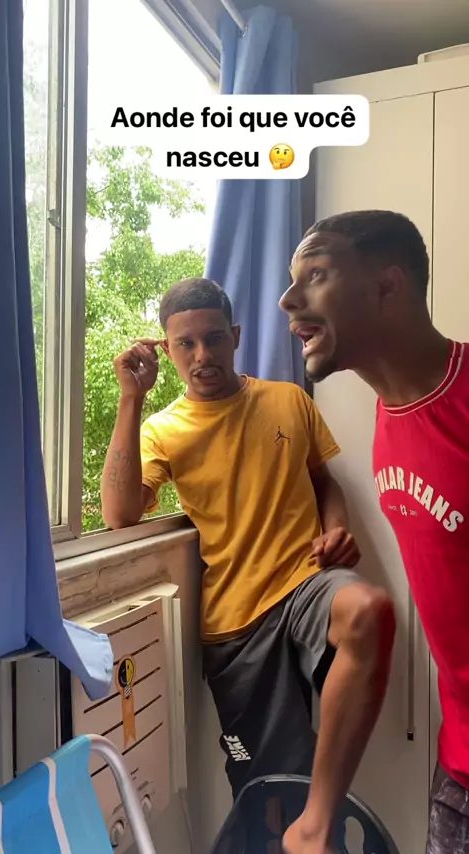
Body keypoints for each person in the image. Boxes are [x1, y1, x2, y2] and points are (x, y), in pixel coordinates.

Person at [101, 276, 396, 854]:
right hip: (236, 629)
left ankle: (319, 823)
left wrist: (336, 528)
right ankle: (302, 829)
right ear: (167, 349)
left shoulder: (288, 399)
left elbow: (323, 480)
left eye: (214, 338)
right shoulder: (163, 430)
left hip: (305, 585)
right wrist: (131, 399)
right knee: (267, 800)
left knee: (369, 610)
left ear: (235, 336)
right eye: (186, 344)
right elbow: (118, 514)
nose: (202, 355)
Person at [279, 209, 469, 854]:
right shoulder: (389, 415)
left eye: (315, 274)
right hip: (459, 765)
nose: (287, 300)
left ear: (388, 285)